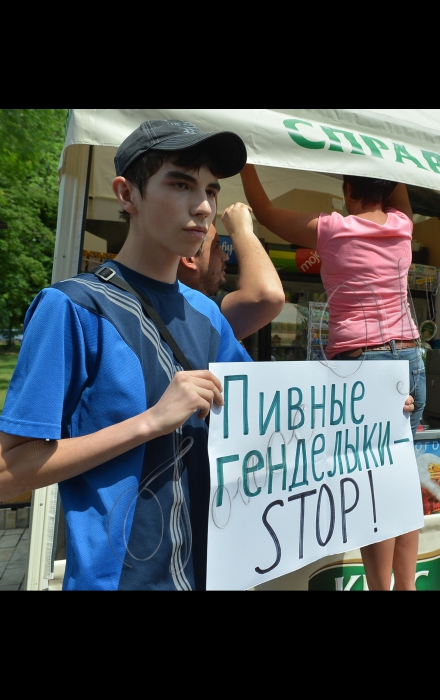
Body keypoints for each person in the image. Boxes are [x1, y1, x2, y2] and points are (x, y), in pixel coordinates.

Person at [0, 119, 255, 590]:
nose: (202, 207)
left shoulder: (207, 314)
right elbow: (7, 473)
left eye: (211, 191)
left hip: (213, 572)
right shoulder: (71, 307)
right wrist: (150, 422)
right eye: (180, 184)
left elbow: (263, 413)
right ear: (127, 194)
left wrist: (372, 408)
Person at [239, 164, 425, 591]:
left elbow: (265, 212)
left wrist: (247, 162)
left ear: (347, 188)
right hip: (411, 357)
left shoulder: (335, 229)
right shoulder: (402, 226)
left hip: (366, 364)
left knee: (371, 480)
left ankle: (381, 588)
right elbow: (397, 184)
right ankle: (406, 586)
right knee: (399, 474)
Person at [177, 206, 285, 340]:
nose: (225, 256)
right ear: (189, 259)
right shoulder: (194, 313)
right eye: (216, 246)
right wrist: (241, 230)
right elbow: (269, 295)